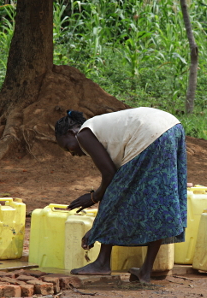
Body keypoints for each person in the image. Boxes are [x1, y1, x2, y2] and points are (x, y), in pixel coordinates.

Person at [55, 107, 187, 283]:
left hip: (149, 133)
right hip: (172, 127)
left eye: (67, 147)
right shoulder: (101, 131)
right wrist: (98, 223)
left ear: (72, 133)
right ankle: (145, 272)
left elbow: (109, 176)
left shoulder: (84, 134)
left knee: (114, 195)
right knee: (157, 202)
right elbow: (115, 178)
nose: (72, 153)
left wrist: (93, 198)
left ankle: (102, 263)